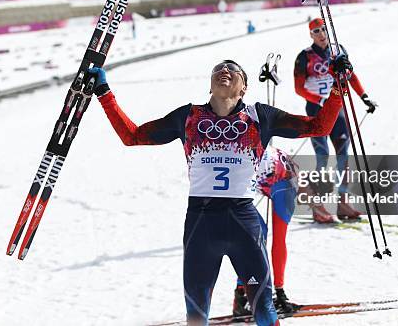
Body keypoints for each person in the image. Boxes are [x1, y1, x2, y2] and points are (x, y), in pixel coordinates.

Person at [88, 56, 352, 326]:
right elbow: (132, 136)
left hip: (243, 224)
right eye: (218, 69)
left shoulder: (260, 116)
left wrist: (337, 87)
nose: (224, 70)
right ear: (210, 85)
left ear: (244, 88)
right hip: (201, 225)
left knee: (264, 312)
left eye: (233, 70)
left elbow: (319, 127)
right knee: (196, 317)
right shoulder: (188, 116)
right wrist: (104, 93)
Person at [293, 18, 376, 223]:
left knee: (343, 155)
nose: (321, 34)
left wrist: (364, 96)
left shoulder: (339, 50)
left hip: (336, 110)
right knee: (323, 155)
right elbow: (299, 88)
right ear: (310, 34)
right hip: (316, 111)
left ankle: (343, 202)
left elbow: (350, 75)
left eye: (323, 29)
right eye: (316, 31)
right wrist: (321, 99)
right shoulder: (304, 56)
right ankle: (319, 206)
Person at [233, 147, 299, 316]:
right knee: (256, 232)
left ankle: (279, 294)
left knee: (278, 237)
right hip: (258, 176)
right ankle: (242, 295)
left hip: (284, 180)